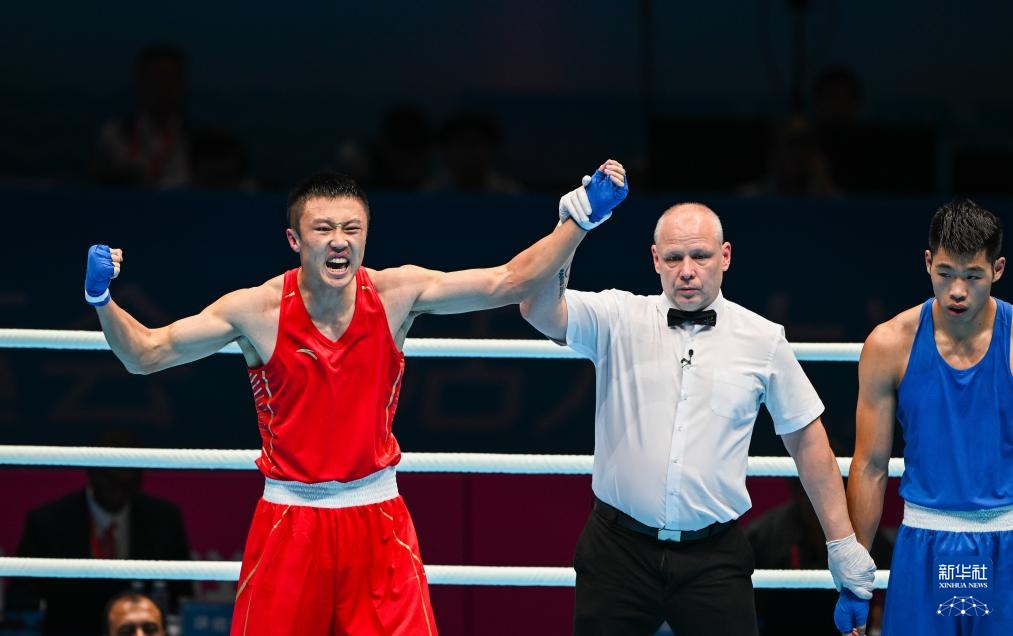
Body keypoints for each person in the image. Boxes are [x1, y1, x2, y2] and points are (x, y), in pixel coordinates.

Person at [82, 161, 628, 635]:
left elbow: (508, 281)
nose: (339, 240)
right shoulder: (256, 310)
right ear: (295, 240)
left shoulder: (396, 293)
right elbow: (146, 354)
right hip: (288, 522)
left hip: (378, 520)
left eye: (351, 228)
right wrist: (102, 298)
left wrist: (579, 219)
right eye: (323, 228)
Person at [519, 200, 876, 635]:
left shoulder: (762, 339)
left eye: (700, 256)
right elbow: (537, 309)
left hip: (713, 557)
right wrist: (573, 227)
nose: (686, 270)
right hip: (617, 550)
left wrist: (842, 544)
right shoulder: (618, 317)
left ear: (725, 256)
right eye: (674, 258)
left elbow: (807, 439)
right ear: (655, 260)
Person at [847, 199, 1012, 635]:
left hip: (1008, 541)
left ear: (997, 269)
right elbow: (870, 465)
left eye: (973, 276)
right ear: (927, 263)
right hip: (924, 541)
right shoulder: (889, 345)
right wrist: (855, 578)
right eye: (945, 273)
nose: (957, 290)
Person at [7, 433, 191, 636]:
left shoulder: (164, 519)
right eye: (112, 478)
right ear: (92, 472)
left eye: (129, 478)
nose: (119, 487)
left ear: (140, 477)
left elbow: (183, 595)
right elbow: (22, 597)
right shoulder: (49, 522)